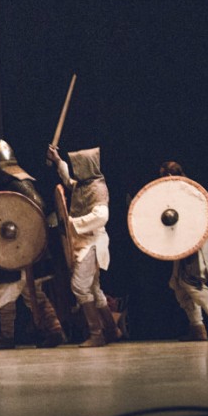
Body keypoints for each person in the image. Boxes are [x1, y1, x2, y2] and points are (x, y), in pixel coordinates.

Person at [0, 140, 65, 349]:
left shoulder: (19, 184)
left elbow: (36, 210)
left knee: (6, 292)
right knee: (30, 293)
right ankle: (53, 331)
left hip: (23, 249)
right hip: (18, 250)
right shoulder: (13, 186)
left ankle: (10, 336)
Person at [47, 144, 120, 347]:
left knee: (79, 286)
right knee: (94, 289)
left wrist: (72, 223)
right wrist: (57, 160)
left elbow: (102, 216)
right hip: (84, 241)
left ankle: (97, 334)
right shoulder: (84, 185)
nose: (76, 169)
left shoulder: (97, 188)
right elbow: (68, 181)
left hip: (93, 242)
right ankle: (111, 330)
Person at [158, 161, 208, 341]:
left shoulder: (188, 193)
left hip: (193, 241)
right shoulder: (172, 195)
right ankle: (197, 327)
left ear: (169, 175)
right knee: (179, 284)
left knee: (191, 281)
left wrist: (189, 240)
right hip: (181, 243)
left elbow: (195, 218)